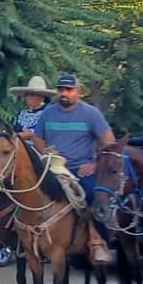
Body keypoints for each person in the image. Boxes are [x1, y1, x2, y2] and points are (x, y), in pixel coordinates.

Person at [31, 73, 115, 263]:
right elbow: (37, 137)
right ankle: (25, 239)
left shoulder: (91, 113)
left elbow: (109, 142)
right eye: (61, 89)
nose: (64, 93)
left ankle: (99, 241)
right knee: (26, 192)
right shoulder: (48, 113)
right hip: (52, 168)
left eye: (69, 90)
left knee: (93, 196)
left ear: (79, 92)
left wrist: (94, 164)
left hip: (80, 169)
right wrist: (44, 149)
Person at [8, 75, 55, 141]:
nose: (28, 98)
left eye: (32, 95)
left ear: (42, 97)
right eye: (27, 95)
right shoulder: (21, 114)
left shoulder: (49, 112)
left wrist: (15, 136)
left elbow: (36, 133)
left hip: (40, 147)